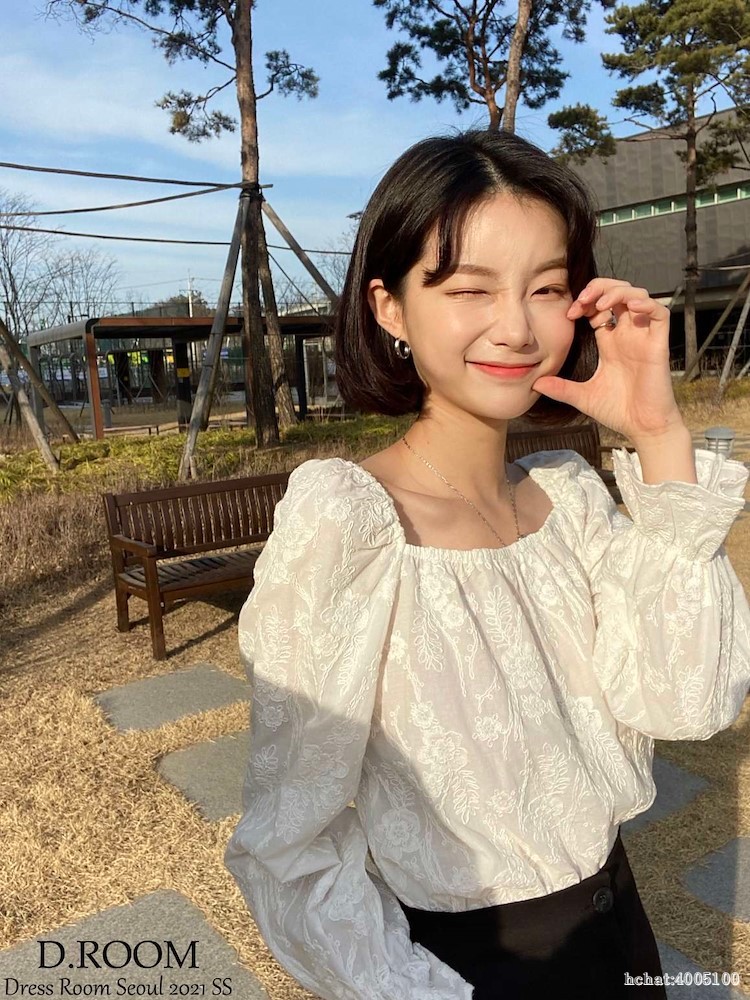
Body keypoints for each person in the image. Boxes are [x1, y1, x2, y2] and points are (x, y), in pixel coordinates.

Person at [224, 129, 750, 999]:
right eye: (469, 288)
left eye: (546, 288)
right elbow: (288, 842)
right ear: (390, 308)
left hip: (619, 926)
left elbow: (687, 701)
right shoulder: (352, 527)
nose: (515, 327)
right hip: (472, 967)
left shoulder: (568, 500)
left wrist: (658, 434)